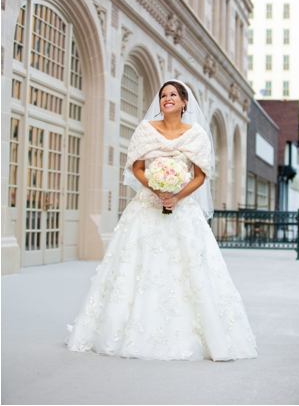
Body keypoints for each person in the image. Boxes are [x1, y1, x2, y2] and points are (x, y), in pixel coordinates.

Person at [66, 80, 257, 361]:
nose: (167, 98)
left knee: (187, 267)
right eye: (163, 95)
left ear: (184, 102)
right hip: (146, 207)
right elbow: (137, 167)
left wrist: (176, 197)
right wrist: (157, 189)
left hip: (183, 210)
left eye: (173, 95)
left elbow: (201, 176)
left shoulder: (197, 135)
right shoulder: (146, 130)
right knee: (137, 266)